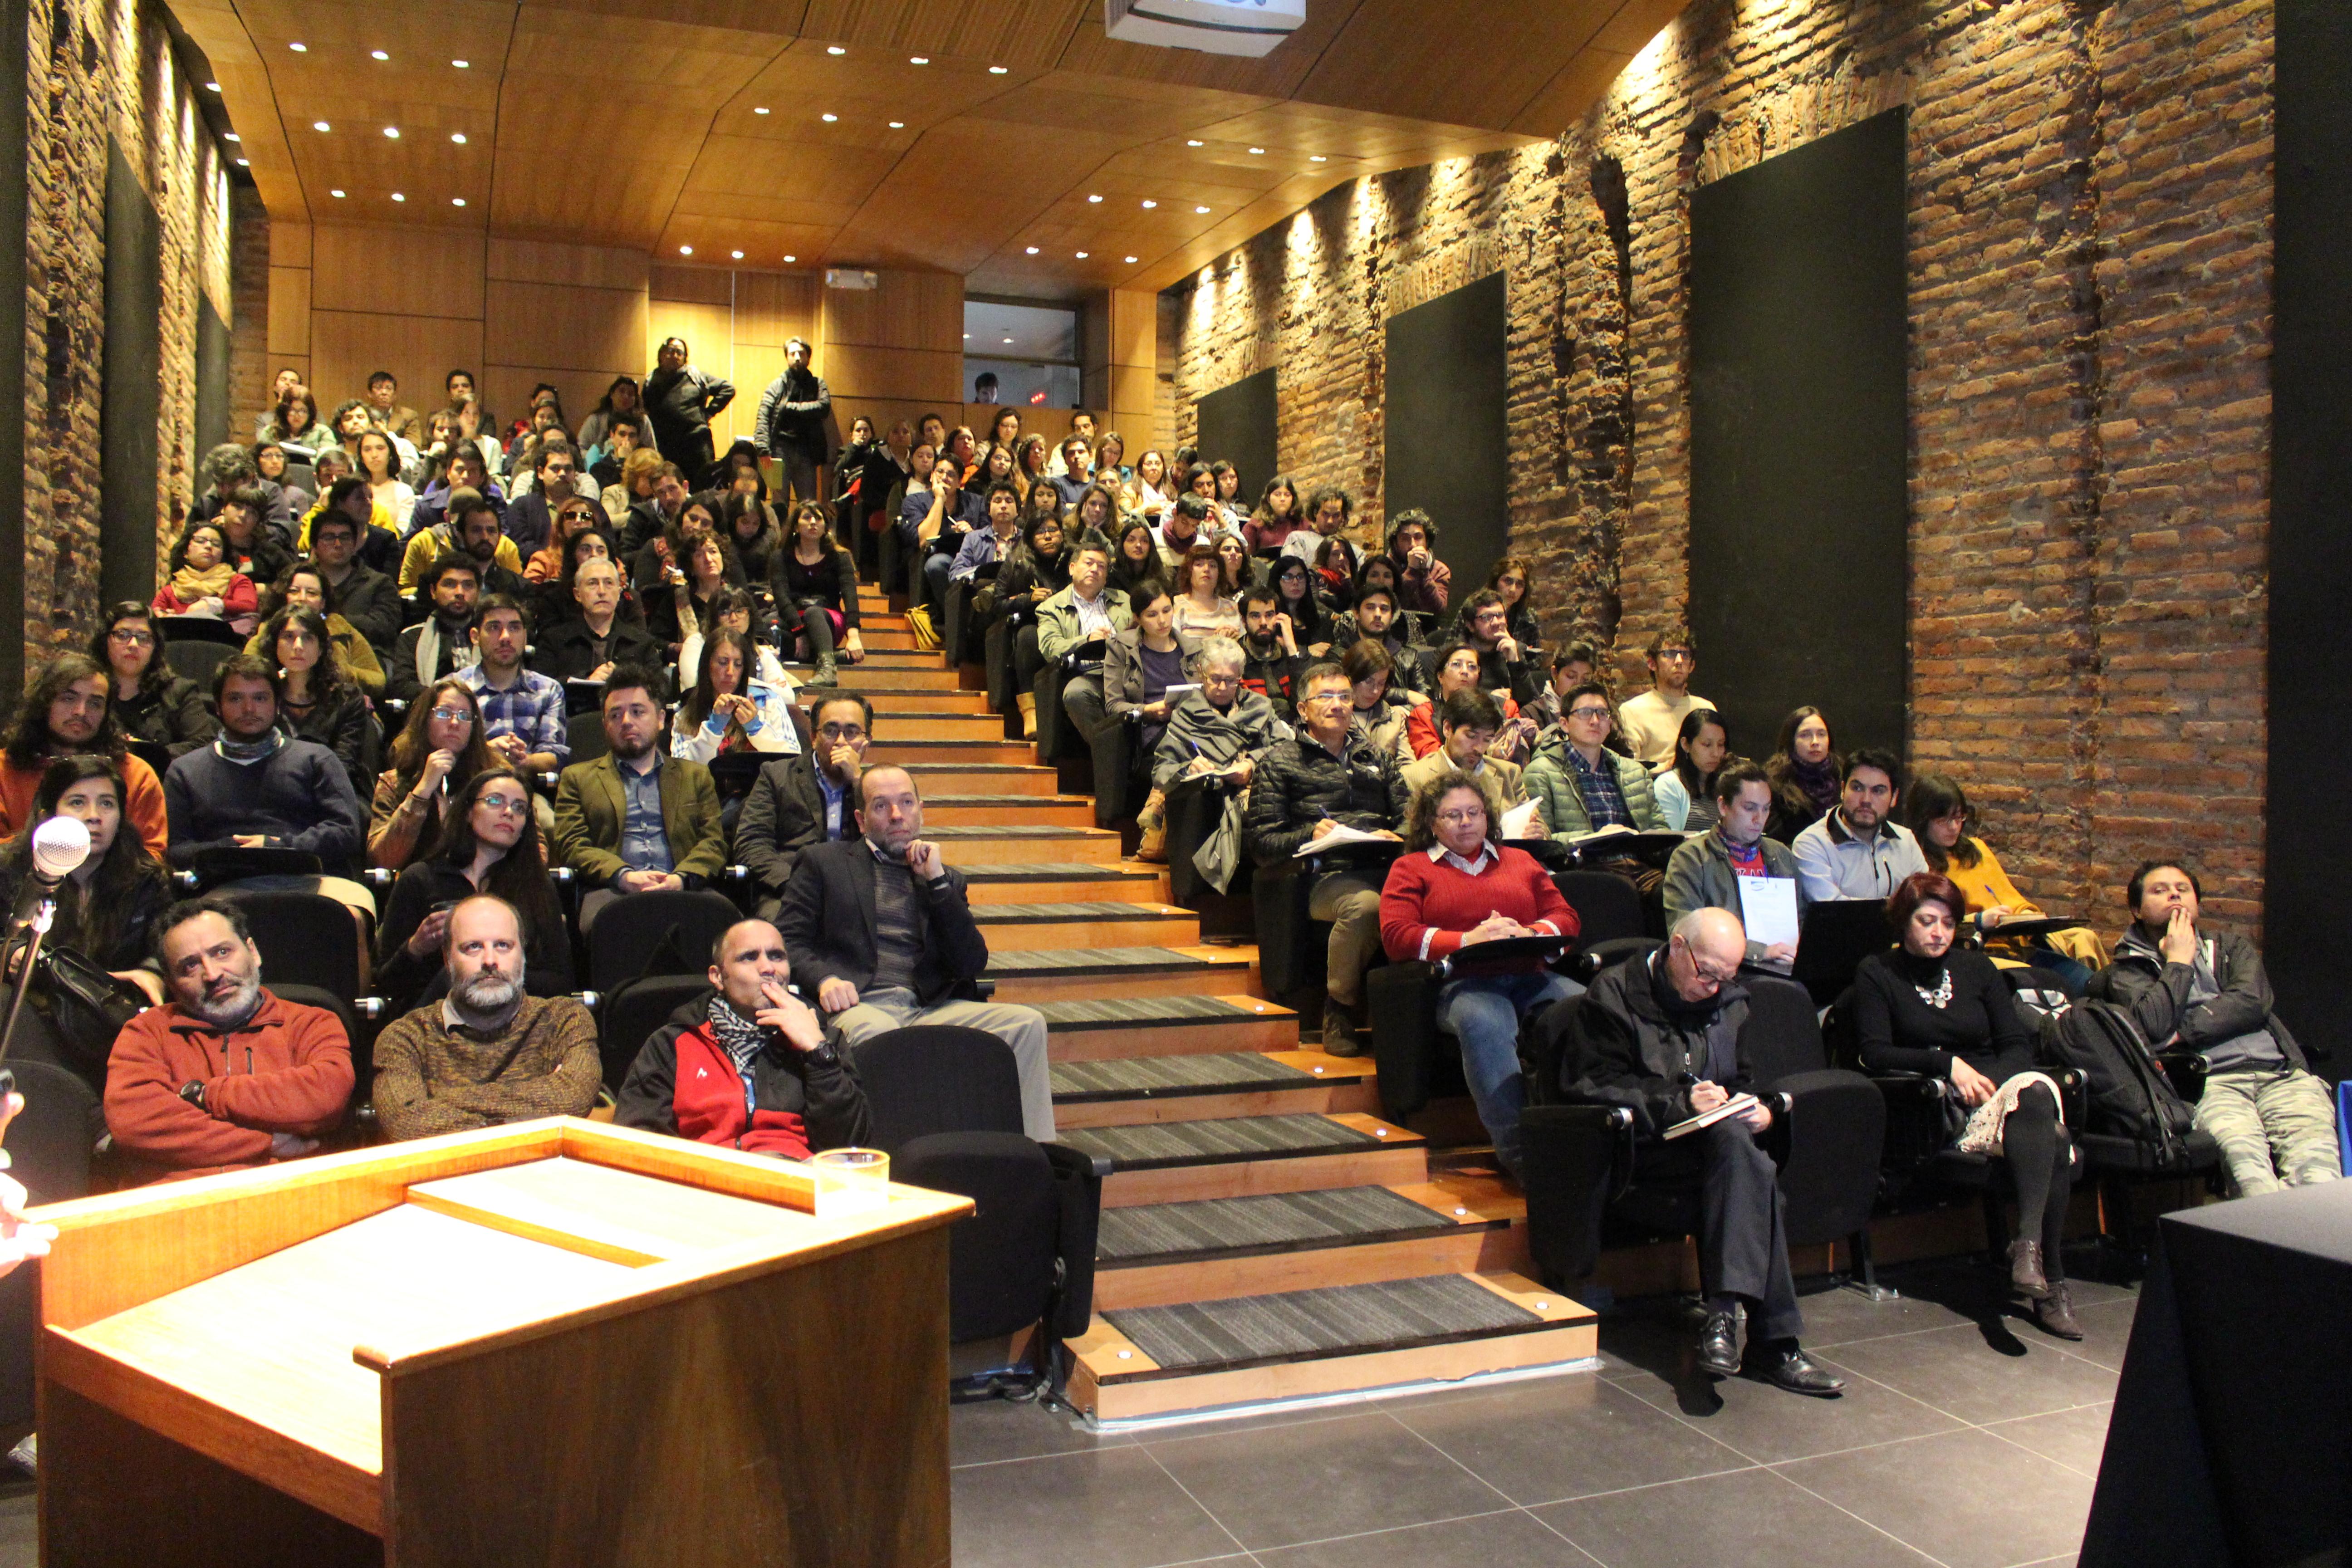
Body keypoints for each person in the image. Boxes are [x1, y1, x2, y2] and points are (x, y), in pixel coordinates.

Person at [1567, 908, 1843, 1396]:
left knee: (1742, 1149)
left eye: (1726, 977)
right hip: (1645, 1151)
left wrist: (1757, 1108)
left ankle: (1723, 1321)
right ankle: (1769, 1340)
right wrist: (1677, 1104)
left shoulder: (1731, 1001)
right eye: (1706, 973)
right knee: (1757, 1178)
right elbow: (1591, 1087)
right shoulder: (1613, 994)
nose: (1714, 987)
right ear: (1677, 947)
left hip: (1715, 1151)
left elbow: (1741, 1079)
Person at [1853, 872, 2082, 1338]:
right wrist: (1947, 1066)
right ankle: (2050, 1280)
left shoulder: (1978, 970)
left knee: (2035, 1093)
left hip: (1998, 1093)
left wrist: (1990, 1084)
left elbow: (2017, 1046)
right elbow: (1874, 1053)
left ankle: (2028, 1247)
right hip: (1936, 1106)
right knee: (2053, 1140)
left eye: (1949, 923)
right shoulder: (1877, 972)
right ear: (1904, 922)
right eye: (1927, 921)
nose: (1939, 932)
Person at [776, 764, 1056, 1141]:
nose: (897, 815)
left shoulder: (944, 877)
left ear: (920, 810)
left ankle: (1031, 1152)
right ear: (861, 820)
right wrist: (824, 979)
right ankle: (892, 1155)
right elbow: (786, 943)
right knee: (883, 1036)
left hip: (929, 1007)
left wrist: (938, 884)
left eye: (906, 803)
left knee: (1025, 1024)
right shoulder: (823, 863)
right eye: (882, 806)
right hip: (861, 1006)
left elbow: (971, 963)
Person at [2093, 861, 2344, 1198]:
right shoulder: (2127, 970)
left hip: (2281, 1076)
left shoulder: (2230, 948)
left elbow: (2253, 1001)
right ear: (2137, 910)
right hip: (2213, 1086)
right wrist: (2179, 962)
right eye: (2159, 890)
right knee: (2252, 1182)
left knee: (2320, 1179)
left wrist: (2184, 1032)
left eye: (2182, 889)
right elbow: (2152, 1026)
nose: (2174, 895)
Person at [1380, 771, 1580, 1175]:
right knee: (1485, 1023)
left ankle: (1588, 1136)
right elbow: (1397, 937)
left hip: (1530, 973)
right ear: (1432, 823)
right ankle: (1524, 1158)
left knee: (1588, 1008)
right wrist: (1468, 940)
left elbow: (1565, 917)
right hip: (1461, 983)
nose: (1466, 822)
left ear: (1489, 817)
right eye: (1452, 815)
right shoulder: (1411, 868)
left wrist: (1529, 932)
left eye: (1474, 812)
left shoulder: (1520, 860)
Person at [103, 897, 354, 1182]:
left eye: (222, 952)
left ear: (253, 952)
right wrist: (266, 1142)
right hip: (178, 1205)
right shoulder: (146, 1032)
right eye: (190, 967)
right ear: (171, 984)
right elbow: (136, 1123)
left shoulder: (312, 1022)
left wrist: (207, 1095)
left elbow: (325, 1097)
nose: (213, 974)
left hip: (290, 1195)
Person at [1244, 662, 1409, 1055]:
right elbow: (1263, 843)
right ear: (1303, 709)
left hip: (1385, 865)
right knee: (1367, 907)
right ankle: (1340, 1009)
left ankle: (1415, 1017)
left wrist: (1400, 835)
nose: (1338, 705)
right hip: (1319, 876)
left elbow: (1411, 817)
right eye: (1326, 697)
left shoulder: (1377, 757)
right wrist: (1311, 833)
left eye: (1345, 697)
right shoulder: (1280, 761)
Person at [615, 918, 871, 1158]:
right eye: (749, 958)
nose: (769, 968)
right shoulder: (672, 1044)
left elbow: (847, 1146)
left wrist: (818, 1054)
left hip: (796, 1180)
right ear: (718, 977)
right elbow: (639, 1139)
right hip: (705, 1180)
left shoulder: (825, 1040)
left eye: (777, 956)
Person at [0, 757, 173, 1088]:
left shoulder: (146, 878)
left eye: (107, 804)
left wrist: (152, 973)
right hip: (33, 1008)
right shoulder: (11, 870)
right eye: (77, 802)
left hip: (113, 1013)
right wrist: (13, 954)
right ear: (46, 817)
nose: (94, 816)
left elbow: (162, 944)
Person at [372, 894, 598, 1140]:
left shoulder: (565, 1020)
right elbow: (406, 1123)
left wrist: (437, 1101)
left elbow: (574, 1099)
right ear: (447, 960)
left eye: (503, 945)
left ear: (522, 956)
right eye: (474, 947)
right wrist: (530, 1113)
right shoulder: (405, 1038)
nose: (490, 961)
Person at [162, 657, 372, 912]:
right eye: (236, 699)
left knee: (355, 915)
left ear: (278, 704)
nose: (249, 709)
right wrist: (232, 851)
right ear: (218, 707)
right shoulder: (185, 770)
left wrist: (277, 846)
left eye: (260, 698)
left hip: (310, 881)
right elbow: (176, 849)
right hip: (217, 889)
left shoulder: (317, 758)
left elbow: (346, 832)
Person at [551, 667, 727, 930]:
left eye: (637, 711)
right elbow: (572, 845)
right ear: (605, 724)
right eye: (615, 714)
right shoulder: (577, 778)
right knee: (609, 928)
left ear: (660, 719)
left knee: (727, 924)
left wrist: (681, 878)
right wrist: (624, 876)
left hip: (686, 889)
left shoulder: (696, 776)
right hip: (612, 892)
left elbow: (714, 842)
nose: (626, 721)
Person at [1904, 773, 2102, 993]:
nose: (1954, 827)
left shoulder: (1976, 850)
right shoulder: (1916, 861)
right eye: (1945, 820)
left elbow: (2009, 898)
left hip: (2016, 945)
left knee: (2090, 981)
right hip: (1975, 952)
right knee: (2053, 984)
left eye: (1960, 818)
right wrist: (1979, 920)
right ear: (1923, 819)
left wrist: (2026, 915)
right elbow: (1926, 923)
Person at [0, 654, 171, 859]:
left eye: (95, 703)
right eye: (68, 699)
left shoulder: (136, 774)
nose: (81, 712)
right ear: (44, 704)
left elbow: (152, 856)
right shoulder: (4, 769)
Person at [1139, 637, 1281, 863]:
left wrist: (1252, 764)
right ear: (1201, 673)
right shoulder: (1186, 713)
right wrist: (1188, 767)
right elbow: (1163, 768)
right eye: (1215, 679)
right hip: (1208, 797)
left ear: (1240, 677)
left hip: (1255, 790)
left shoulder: (1260, 707)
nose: (1223, 688)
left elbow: (1284, 749)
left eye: (1231, 680)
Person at [738, 694, 871, 921]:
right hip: (789, 890)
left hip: (857, 892)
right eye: (830, 731)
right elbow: (752, 843)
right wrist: (796, 885)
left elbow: (888, 841)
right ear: (812, 737)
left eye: (852, 732)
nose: (841, 741)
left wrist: (858, 782)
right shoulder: (776, 776)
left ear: (867, 740)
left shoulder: (877, 788)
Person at [1662, 760, 1804, 965]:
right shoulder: (1691, 858)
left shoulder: (1781, 855)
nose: (1759, 819)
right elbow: (1684, 932)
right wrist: (1759, 951)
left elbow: (1800, 918)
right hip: (1722, 968)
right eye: (1750, 808)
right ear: (1723, 806)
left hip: (1784, 962)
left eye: (1766, 809)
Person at [369, 676, 494, 870]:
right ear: (425, 720)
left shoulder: (494, 781)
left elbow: (536, 852)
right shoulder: (393, 782)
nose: (454, 723)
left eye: (464, 716)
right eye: (444, 713)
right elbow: (384, 859)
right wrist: (422, 792)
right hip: (419, 888)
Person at [1523, 681, 1659, 838]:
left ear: (1609, 724)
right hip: (1581, 861)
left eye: (1602, 713)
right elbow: (1542, 840)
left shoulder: (1635, 773)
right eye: (1585, 713)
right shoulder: (1541, 774)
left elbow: (1660, 830)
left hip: (1636, 860)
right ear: (1565, 724)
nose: (1595, 721)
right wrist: (1596, 838)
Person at [1792, 748, 1928, 903]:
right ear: (1843, 790)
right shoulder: (1812, 844)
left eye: (1878, 791)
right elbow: (1833, 911)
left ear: (1894, 798)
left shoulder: (1906, 841)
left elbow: (1925, 901)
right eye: (1857, 788)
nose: (1866, 800)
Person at [260, 604, 372, 789]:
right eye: (289, 637)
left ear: (321, 649)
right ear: (274, 645)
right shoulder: (262, 697)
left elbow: (343, 763)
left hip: (330, 791)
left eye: (308, 638)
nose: (298, 647)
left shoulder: (346, 698)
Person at [457, 595, 569, 780]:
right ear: (475, 637)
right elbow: (441, 749)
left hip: (525, 790)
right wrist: (487, 753)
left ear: (525, 636)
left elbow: (554, 756)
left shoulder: (548, 690)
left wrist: (523, 760)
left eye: (514, 628)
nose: (505, 637)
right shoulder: (455, 689)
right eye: (494, 628)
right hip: (465, 788)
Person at [93, 603, 218, 758]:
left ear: (155, 647)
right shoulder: (90, 690)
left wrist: (148, 753)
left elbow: (204, 744)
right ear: (106, 641)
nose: (133, 645)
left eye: (144, 638)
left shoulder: (180, 691)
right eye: (123, 635)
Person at [1401, 691, 1537, 834]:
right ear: (1447, 729)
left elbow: (1537, 825)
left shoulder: (1509, 773)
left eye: (1487, 740)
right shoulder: (1412, 777)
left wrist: (1539, 833)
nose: (1479, 748)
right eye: (1471, 736)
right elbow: (1412, 840)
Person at [1038, 536, 1132, 741]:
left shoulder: (1125, 600)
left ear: (1106, 576)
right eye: (1089, 563)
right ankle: (1109, 750)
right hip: (1089, 675)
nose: (1095, 569)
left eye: (1102, 566)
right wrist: (1087, 641)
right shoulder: (1051, 607)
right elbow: (1050, 648)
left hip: (1127, 672)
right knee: (1076, 693)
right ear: (1072, 568)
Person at [673, 626, 799, 764]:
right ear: (707, 665)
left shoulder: (769, 702)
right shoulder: (686, 711)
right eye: (723, 663)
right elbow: (681, 773)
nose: (730, 672)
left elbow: (793, 762)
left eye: (738, 665)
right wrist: (712, 729)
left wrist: (757, 729)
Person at [772, 499, 863, 686]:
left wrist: (853, 636)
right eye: (807, 518)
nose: (813, 522)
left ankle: (828, 670)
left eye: (818, 519)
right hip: (794, 619)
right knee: (770, 629)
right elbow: (781, 597)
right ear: (796, 526)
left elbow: (850, 596)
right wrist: (799, 631)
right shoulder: (780, 557)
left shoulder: (840, 557)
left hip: (828, 618)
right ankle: (832, 656)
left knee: (813, 613)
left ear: (825, 527)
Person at [299, 506, 402, 662]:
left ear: (355, 545)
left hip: (363, 663)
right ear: (314, 546)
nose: (338, 544)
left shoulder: (379, 584)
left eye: (345, 537)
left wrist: (328, 620)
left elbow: (383, 629)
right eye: (329, 537)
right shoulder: (299, 583)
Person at [388, 553, 482, 704]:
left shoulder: (491, 636)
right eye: (450, 584)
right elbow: (402, 684)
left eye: (468, 585)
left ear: (478, 592)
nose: (460, 592)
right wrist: (445, 700)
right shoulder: (412, 637)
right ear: (433, 591)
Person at [1406, 645, 1523, 760]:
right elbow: (1432, 761)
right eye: (1456, 665)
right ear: (1441, 676)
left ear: (1478, 677)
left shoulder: (1506, 707)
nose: (1465, 672)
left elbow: (1517, 756)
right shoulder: (1424, 715)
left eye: (1472, 667)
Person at [643, 336, 734, 484]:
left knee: (703, 486)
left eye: (680, 352)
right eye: (671, 351)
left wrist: (709, 413)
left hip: (696, 444)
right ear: (661, 355)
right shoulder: (651, 380)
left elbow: (728, 389)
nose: (675, 356)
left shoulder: (696, 377)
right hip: (665, 446)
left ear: (685, 358)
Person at [1617, 630, 1714, 767]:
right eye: (1670, 654)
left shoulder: (1705, 709)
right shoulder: (1632, 711)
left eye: (1685, 655)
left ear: (1692, 666)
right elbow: (1627, 771)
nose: (1679, 661)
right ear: (1652, 663)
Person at [754, 338, 831, 507]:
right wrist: (762, 449)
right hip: (779, 449)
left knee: (808, 503)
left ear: (808, 357)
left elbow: (823, 407)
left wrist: (790, 407)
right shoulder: (777, 385)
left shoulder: (818, 384)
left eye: (801, 354)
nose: (797, 358)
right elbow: (763, 417)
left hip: (807, 451)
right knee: (779, 503)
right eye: (792, 354)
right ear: (787, 358)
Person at [151, 521, 260, 630]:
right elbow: (153, 614)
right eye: (200, 541)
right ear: (185, 552)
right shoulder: (171, 590)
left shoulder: (237, 581)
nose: (209, 546)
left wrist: (215, 606)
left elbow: (248, 606)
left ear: (223, 554)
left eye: (216, 544)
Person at [1765, 706, 1840, 843]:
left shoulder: (1842, 779)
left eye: (1821, 734)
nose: (1815, 742)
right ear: (1791, 741)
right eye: (1805, 735)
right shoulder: (1774, 784)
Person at [1460, 589, 1539, 707]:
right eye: (1486, 617)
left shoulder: (1514, 649)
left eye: (1500, 615)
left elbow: (1533, 703)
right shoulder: (1455, 654)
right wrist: (1489, 698)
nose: (1496, 623)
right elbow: (1449, 697)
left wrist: (1515, 662)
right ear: (1470, 626)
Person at [1653, 708, 1729, 833]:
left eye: (1721, 745)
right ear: (1685, 745)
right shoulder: (1669, 785)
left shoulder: (1725, 786)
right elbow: (1669, 842)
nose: (1716, 753)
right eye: (1707, 745)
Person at [1342, 639, 1415, 764]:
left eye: (1381, 684)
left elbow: (1408, 764)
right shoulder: (1335, 715)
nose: (1375, 691)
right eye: (1369, 682)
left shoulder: (1393, 717)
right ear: (1351, 677)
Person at [1383, 509, 1450, 615]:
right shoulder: (1384, 568)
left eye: (1418, 538)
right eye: (1405, 539)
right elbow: (1390, 605)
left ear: (1427, 541)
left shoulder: (1440, 570)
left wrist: (1423, 572)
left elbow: (1438, 611)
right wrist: (1412, 571)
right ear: (1395, 543)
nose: (1413, 544)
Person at [1268, 553, 1336, 658]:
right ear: (1277, 581)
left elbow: (1326, 648)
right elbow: (1272, 653)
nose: (1296, 582)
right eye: (1288, 577)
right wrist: (1306, 651)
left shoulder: (1319, 617)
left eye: (1300, 576)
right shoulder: (1271, 618)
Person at [1171, 542, 1241, 640]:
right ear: (1189, 572)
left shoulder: (1233, 607)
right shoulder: (1176, 605)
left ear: (1219, 574)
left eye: (1213, 566)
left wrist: (1235, 638)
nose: (1206, 569)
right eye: (1199, 565)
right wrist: (1217, 640)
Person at [577, 374, 657, 459]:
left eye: (631, 394)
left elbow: (652, 452)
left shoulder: (643, 420)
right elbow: (581, 448)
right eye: (622, 392)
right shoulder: (596, 419)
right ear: (612, 395)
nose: (626, 397)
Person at [1245, 473, 1304, 555]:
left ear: (1293, 499)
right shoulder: (1254, 526)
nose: (1283, 499)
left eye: (1287, 495)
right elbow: (1247, 559)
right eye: (1277, 495)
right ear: (1268, 499)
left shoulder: (1302, 523)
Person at [362, 369, 421, 444]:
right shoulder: (361, 415)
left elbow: (414, 447)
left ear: (395, 395)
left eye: (389, 388)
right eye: (378, 388)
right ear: (370, 394)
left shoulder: (408, 416)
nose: (384, 393)